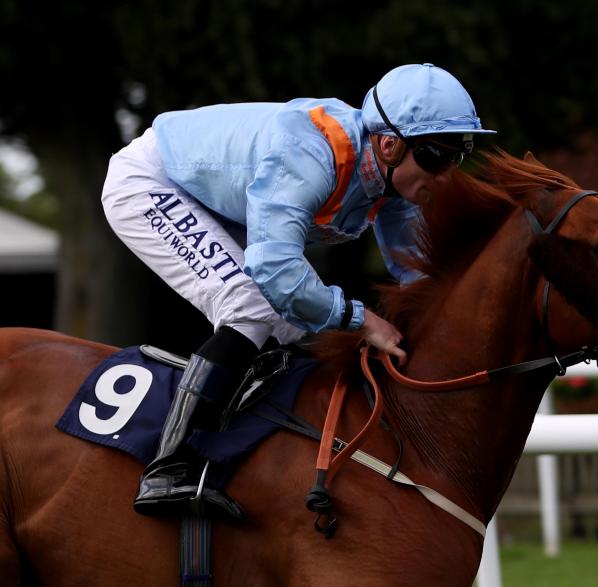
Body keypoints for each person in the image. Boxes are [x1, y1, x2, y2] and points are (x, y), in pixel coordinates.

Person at [100, 63, 496, 519]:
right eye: (436, 157)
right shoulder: (310, 153)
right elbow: (276, 270)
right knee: (251, 305)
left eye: (456, 157)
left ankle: (248, 454)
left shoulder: (393, 181)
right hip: (150, 182)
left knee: (293, 326)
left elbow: (417, 274)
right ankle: (167, 468)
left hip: (218, 204)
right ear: (390, 145)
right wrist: (362, 320)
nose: (446, 176)